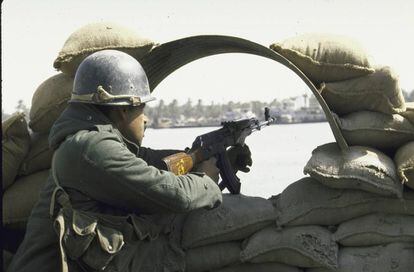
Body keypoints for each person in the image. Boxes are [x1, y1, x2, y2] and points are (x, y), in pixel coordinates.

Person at [8, 50, 251, 272]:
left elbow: (148, 162)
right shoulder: (89, 147)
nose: (145, 120)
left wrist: (213, 156)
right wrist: (207, 180)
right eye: (142, 109)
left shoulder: (92, 141)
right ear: (123, 110)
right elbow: (174, 195)